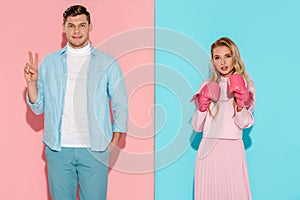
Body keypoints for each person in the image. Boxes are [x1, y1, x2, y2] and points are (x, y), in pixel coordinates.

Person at [24, 5, 128, 200]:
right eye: (71, 26)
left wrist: (114, 141)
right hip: (58, 149)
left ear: (90, 27)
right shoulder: (49, 63)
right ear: (64, 28)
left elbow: (121, 103)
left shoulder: (107, 63)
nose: (77, 31)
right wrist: (31, 84)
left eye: (82, 25)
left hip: (95, 149)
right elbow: (38, 108)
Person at [191, 37, 255, 200]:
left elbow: (244, 123)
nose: (223, 62)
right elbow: (197, 127)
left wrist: (240, 104)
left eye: (227, 56)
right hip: (208, 148)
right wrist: (203, 105)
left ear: (235, 57)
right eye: (217, 57)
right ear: (212, 60)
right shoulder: (206, 85)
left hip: (233, 148)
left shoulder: (245, 84)